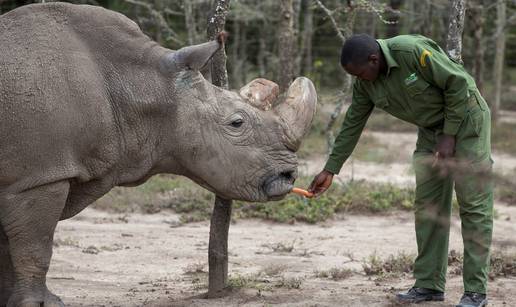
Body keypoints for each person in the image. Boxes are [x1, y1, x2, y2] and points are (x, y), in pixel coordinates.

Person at [308, 34, 493, 307]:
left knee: (473, 205)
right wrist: (330, 169)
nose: (361, 80)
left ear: (374, 59)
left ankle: (476, 292)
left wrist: (449, 135)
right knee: (428, 207)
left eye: (361, 73)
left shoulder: (410, 51)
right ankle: (429, 285)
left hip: (466, 122)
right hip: (431, 132)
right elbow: (352, 124)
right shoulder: (365, 83)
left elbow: (459, 83)